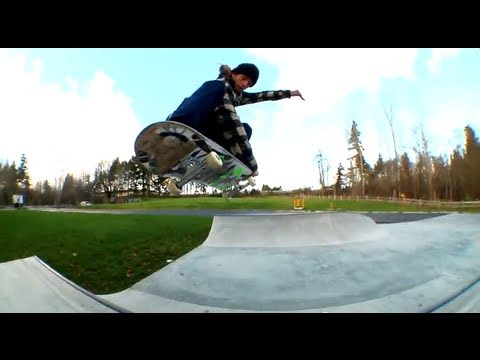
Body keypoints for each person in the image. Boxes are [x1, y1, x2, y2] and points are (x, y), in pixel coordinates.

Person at [166, 63, 304, 177]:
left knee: (247, 128)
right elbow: (235, 126)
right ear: (233, 74)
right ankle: (179, 125)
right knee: (236, 124)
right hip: (189, 121)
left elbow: (261, 96)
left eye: (249, 83)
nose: (245, 84)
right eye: (243, 78)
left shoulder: (237, 94)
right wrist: (252, 164)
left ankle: (223, 160)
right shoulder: (222, 88)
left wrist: (290, 93)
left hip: (207, 132)